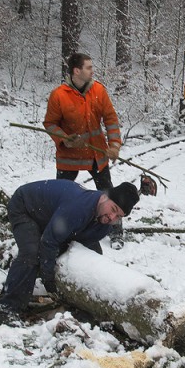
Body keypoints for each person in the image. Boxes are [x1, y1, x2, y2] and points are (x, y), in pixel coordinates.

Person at [0, 179, 140, 324]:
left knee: (93, 254)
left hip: (54, 217)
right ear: (103, 197)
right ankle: (8, 308)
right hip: (25, 207)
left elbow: (81, 244)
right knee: (31, 253)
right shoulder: (78, 207)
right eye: (113, 209)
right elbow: (49, 241)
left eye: (119, 216)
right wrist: (48, 278)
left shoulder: (105, 223)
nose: (112, 218)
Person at [44, 52, 126, 248]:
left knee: (108, 193)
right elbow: (50, 123)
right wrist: (65, 139)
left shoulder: (98, 90)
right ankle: (54, 230)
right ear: (76, 70)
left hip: (96, 154)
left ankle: (115, 231)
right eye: (89, 67)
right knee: (61, 195)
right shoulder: (59, 95)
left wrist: (114, 144)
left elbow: (111, 119)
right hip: (68, 157)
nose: (92, 71)